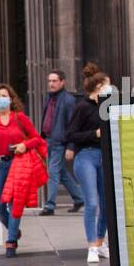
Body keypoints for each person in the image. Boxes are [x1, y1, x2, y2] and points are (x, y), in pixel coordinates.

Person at [0, 83, 42, 257]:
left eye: (4, 96)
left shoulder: (20, 118)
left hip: (17, 164)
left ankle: (11, 241)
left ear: (11, 99)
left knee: (15, 204)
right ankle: (14, 229)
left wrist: (23, 145)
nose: (1, 99)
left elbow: (36, 138)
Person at [64, 63, 112, 263]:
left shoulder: (108, 106)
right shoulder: (82, 106)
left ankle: (100, 243)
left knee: (106, 204)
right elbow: (71, 133)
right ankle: (91, 245)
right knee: (91, 202)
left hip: (104, 156)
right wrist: (95, 133)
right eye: (108, 85)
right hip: (86, 156)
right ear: (99, 85)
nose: (111, 88)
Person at [38, 69, 85, 216]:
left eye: (54, 81)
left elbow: (73, 124)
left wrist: (71, 146)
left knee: (52, 172)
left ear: (62, 82)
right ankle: (79, 199)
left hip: (59, 141)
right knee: (61, 172)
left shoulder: (68, 100)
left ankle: (50, 205)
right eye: (50, 81)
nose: (51, 84)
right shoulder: (50, 97)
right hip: (50, 140)